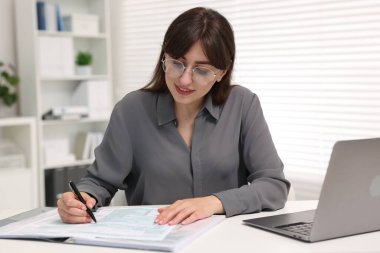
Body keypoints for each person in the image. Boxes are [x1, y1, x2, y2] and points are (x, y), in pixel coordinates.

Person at [57, 7, 290, 225]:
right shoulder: (131, 110)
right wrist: (81, 199)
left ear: (222, 72)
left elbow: (273, 186)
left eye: (202, 70)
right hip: (153, 241)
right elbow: (99, 182)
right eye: (177, 63)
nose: (184, 79)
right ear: (164, 58)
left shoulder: (242, 104)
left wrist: (213, 203)